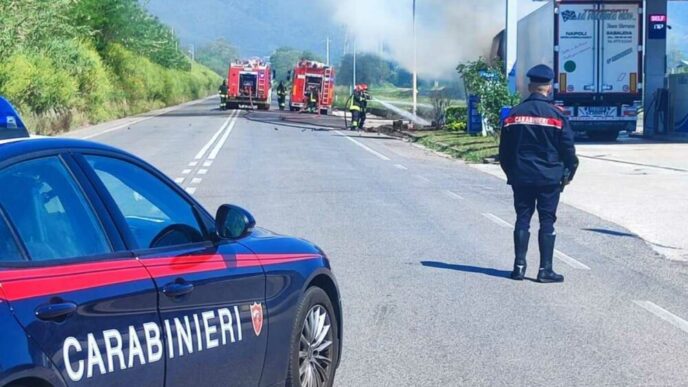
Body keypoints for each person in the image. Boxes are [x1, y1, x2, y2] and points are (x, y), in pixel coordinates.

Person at [499, 64, 579, 283]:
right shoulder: (557, 115)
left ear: (529, 85)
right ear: (549, 88)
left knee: (522, 218)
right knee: (547, 221)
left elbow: (504, 153)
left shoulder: (514, 114)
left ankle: (519, 268)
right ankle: (545, 270)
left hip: (521, 177)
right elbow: (568, 150)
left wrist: (512, 173)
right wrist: (569, 173)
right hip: (549, 178)